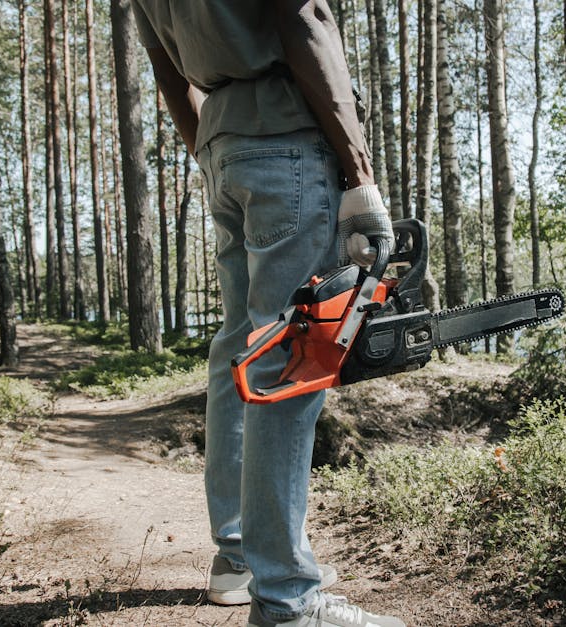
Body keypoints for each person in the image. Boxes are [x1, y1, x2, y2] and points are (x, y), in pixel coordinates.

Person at [131, 1, 404, 626]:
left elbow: (165, 68)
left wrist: (210, 151)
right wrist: (359, 173)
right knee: (287, 362)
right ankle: (286, 599)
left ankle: (240, 558)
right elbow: (302, 17)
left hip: (227, 148)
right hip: (288, 143)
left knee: (244, 352)